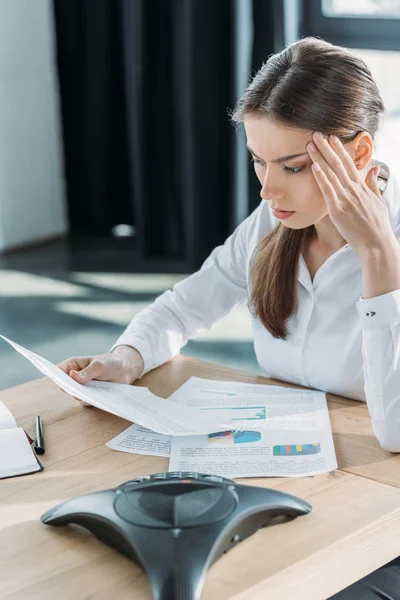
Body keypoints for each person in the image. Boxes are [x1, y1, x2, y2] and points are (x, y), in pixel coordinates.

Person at [58, 37, 400, 598]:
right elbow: (185, 303)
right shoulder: (274, 222)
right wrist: (126, 358)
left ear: (358, 155)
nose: (267, 188)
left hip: (379, 511)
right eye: (258, 162)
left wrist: (380, 259)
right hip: (291, 481)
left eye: (290, 166)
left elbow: (394, 434)